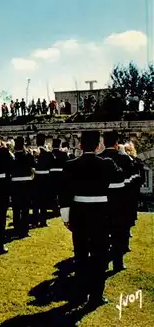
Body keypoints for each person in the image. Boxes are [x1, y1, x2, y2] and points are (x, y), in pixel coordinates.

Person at [60, 130, 123, 307]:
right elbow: (120, 179)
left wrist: (66, 217)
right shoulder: (107, 163)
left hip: (79, 212)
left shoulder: (71, 164)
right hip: (101, 212)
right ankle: (96, 296)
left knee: (80, 254)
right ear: (98, 146)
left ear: (80, 146)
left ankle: (80, 294)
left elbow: (64, 193)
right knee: (99, 255)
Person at [98, 131, 131, 271]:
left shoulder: (98, 158)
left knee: (102, 234)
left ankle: (103, 262)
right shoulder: (124, 158)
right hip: (119, 201)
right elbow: (129, 178)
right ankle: (118, 263)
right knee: (118, 233)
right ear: (117, 143)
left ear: (103, 143)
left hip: (102, 201)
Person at [10, 137, 35, 238]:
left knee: (16, 208)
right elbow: (34, 164)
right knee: (25, 208)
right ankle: (25, 230)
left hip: (15, 183)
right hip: (26, 183)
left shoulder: (12, 155)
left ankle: (16, 229)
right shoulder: (28, 155)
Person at [32, 133, 54, 227]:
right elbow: (52, 162)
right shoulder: (48, 152)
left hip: (36, 177)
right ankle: (43, 221)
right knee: (44, 200)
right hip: (45, 178)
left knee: (36, 201)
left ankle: (35, 220)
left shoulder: (34, 151)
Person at [50, 138, 68, 216]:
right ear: (60, 145)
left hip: (52, 175)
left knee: (53, 193)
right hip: (61, 174)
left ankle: (54, 208)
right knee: (61, 193)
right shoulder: (64, 154)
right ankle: (60, 208)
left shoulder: (49, 154)